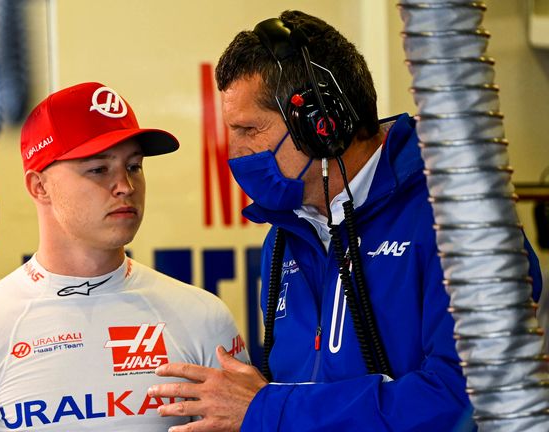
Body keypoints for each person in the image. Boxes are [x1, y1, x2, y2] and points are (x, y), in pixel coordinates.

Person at [148, 10, 544, 431]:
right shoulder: (286, 235)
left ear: (322, 124)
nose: (235, 151)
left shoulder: (459, 218)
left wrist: (268, 410)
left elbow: (469, 398)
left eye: (248, 129)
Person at [0, 81, 249, 431]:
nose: (125, 187)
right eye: (99, 169)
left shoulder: (203, 318)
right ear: (39, 186)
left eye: (134, 166)